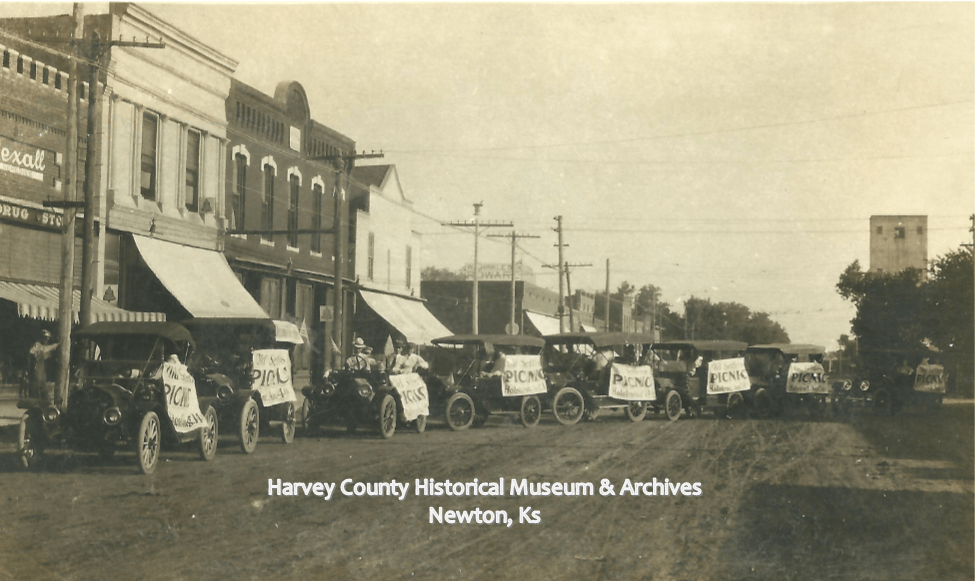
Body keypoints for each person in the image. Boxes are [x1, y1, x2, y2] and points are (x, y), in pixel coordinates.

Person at [28, 329, 59, 404]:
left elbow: (47, 353)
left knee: (43, 387)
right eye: (45, 338)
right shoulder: (37, 345)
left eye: (47, 338)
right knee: (37, 387)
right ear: (41, 337)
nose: (46, 340)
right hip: (36, 369)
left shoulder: (43, 347)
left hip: (41, 370)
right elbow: (33, 352)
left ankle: (45, 404)